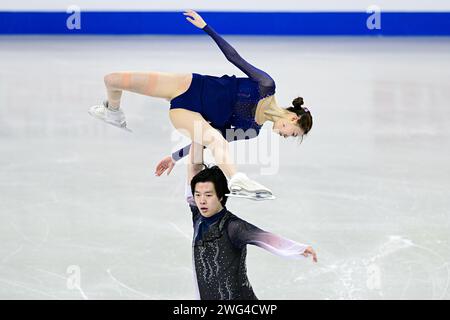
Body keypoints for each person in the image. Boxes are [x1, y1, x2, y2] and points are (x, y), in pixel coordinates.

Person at [89, 9, 313, 200]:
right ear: (293, 118)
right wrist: (206, 27)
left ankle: (236, 180)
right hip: (189, 84)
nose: (286, 137)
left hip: (186, 112)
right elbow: (235, 58)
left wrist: (174, 157)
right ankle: (113, 111)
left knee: (214, 138)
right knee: (112, 80)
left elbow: (212, 142)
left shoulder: (252, 130)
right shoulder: (266, 85)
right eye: (293, 134)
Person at [186, 141, 317, 300]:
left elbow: (264, 238)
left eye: (208, 195)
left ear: (221, 196)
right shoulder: (198, 216)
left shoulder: (232, 227)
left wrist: (297, 248)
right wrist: (197, 135)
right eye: (198, 195)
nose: (201, 201)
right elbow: (194, 168)